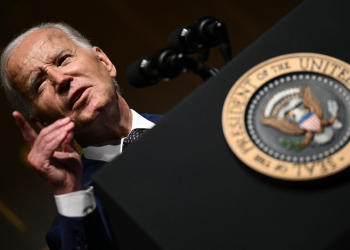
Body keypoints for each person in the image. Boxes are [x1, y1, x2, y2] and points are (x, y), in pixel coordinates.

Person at [0, 23, 163, 249]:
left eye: (63, 60)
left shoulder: (201, 120)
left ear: (104, 62)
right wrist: (71, 197)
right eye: (39, 84)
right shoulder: (75, 220)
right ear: (42, 123)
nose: (60, 79)